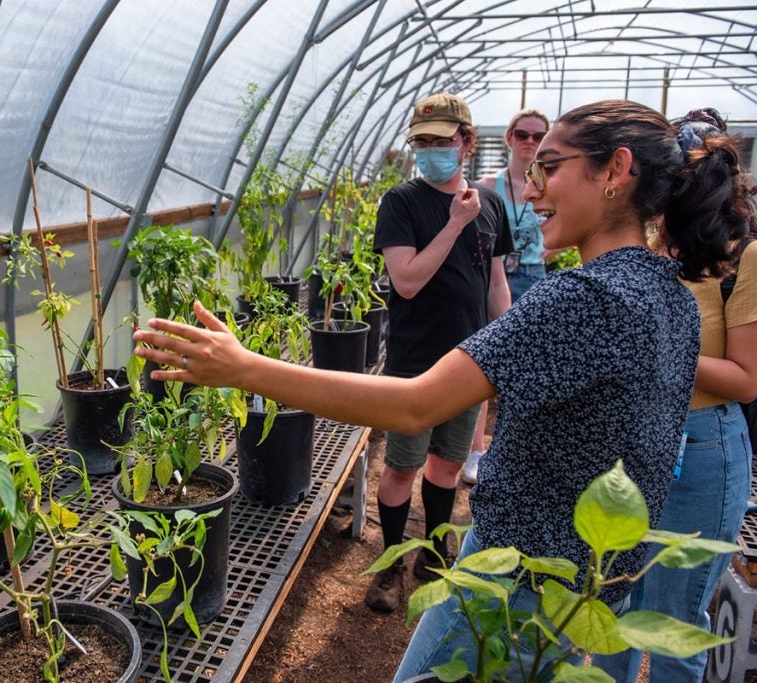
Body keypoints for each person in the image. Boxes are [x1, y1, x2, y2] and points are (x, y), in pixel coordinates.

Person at [130, 99, 749, 678]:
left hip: (514, 586)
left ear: (616, 170)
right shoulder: (669, 295)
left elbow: (413, 404)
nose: (531, 189)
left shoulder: (583, 296)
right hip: (590, 591)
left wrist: (245, 368)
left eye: (551, 168)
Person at [593, 107, 757, 682]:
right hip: (632, 442)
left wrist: (663, 347)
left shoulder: (743, 257)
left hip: (703, 449)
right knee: (610, 612)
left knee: (670, 629)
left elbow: (745, 377)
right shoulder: (634, 246)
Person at [367, 92, 512, 611]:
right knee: (401, 468)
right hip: (414, 363)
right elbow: (404, 282)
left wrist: (505, 343)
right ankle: (390, 565)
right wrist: (453, 222)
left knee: (448, 467)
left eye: (441, 142)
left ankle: (431, 552)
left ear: (466, 144)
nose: (430, 152)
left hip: (471, 361)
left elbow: (496, 283)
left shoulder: (492, 205)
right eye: (421, 143)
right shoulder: (401, 203)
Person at [463, 108, 551, 486]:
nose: (529, 141)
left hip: (532, 277)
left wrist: (536, 254)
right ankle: (476, 450)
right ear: (509, 138)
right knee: (486, 363)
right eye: (522, 134)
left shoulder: (551, 185)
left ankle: (511, 450)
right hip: (494, 276)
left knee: (526, 368)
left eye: (538, 135)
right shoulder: (489, 185)